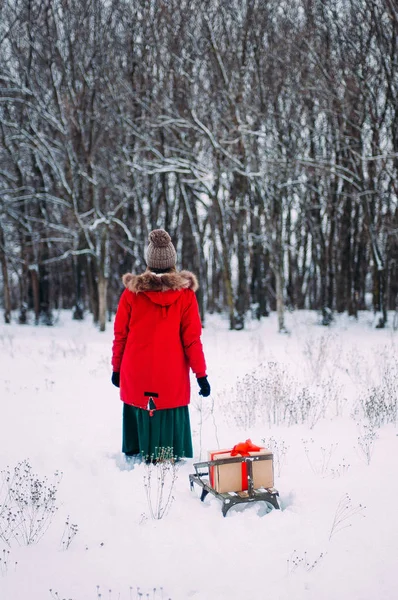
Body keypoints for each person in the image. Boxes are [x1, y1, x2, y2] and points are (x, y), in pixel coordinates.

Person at [111, 229, 210, 460]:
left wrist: (116, 368)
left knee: (139, 405)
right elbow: (192, 340)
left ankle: (138, 449)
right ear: (172, 261)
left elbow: (120, 336)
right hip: (171, 377)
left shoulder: (131, 294)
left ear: (149, 260)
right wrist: (201, 375)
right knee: (168, 412)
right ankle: (168, 452)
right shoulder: (185, 296)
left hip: (136, 375)